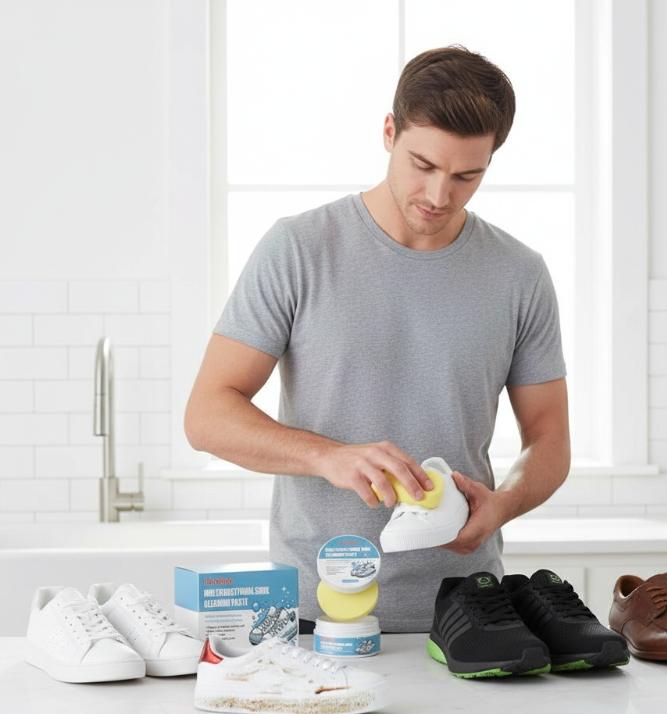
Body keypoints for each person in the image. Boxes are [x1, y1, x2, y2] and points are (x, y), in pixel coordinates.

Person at [184, 45, 571, 633]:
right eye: (423, 165)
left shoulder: (520, 274)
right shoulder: (298, 249)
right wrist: (328, 456)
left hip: (467, 613)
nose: (439, 195)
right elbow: (207, 416)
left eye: (466, 176)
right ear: (390, 133)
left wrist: (503, 504)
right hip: (315, 615)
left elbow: (550, 438)